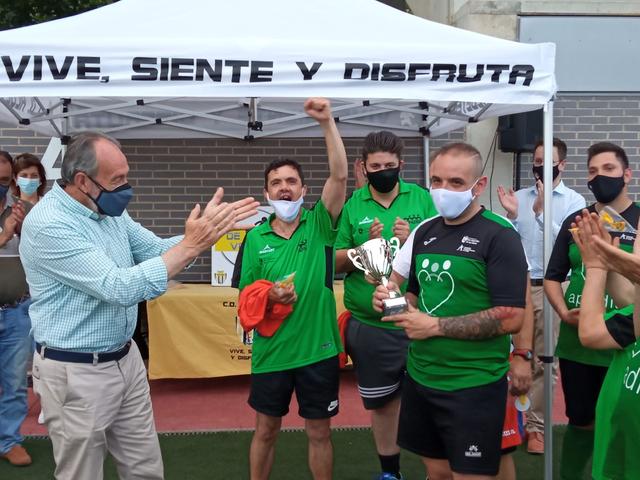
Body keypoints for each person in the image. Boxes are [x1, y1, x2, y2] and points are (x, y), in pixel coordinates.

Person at [19, 131, 259, 480]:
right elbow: (118, 286)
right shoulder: (49, 224)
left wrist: (205, 235)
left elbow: (156, 250)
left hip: (125, 359)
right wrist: (192, 245)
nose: (127, 187)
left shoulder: (106, 210)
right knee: (81, 474)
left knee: (145, 468)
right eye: (118, 179)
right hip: (76, 372)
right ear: (83, 181)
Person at [374, 142, 528, 480]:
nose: (443, 190)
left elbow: (512, 315)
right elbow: (414, 294)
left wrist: (435, 326)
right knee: (437, 471)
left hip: (473, 384)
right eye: (437, 181)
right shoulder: (425, 231)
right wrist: (392, 300)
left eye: (456, 182)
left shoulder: (500, 235)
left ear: (479, 185)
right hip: (422, 376)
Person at [232, 98, 347, 480]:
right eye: (276, 183)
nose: (284, 188)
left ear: (303, 189)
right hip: (272, 354)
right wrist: (270, 296)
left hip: (318, 351)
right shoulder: (255, 238)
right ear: (267, 193)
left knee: (319, 432)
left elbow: (340, 177)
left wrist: (327, 123)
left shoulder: (319, 224)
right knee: (266, 430)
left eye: (291, 182)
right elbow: (246, 298)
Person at [334, 130, 437, 480]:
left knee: (431, 400)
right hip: (372, 327)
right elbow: (334, 260)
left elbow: (444, 249)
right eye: (375, 166)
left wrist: (413, 241)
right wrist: (365, 250)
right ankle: (390, 472)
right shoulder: (353, 205)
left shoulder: (422, 198)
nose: (382, 172)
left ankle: (436, 470)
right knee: (382, 405)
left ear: (401, 165)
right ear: (363, 168)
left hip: (419, 320)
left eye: (389, 165)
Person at [544, 141, 640, 480]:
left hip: (624, 341)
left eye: (609, 169)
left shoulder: (639, 220)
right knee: (581, 419)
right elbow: (552, 276)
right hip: (579, 344)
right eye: (593, 171)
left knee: (620, 414)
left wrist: (604, 261)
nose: (600, 177)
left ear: (627, 174)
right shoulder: (578, 221)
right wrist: (562, 311)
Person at [497, 137, 586, 454]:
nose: (540, 166)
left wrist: (540, 213)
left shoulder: (574, 202)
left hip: (552, 286)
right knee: (515, 356)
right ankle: (512, 422)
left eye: (547, 160)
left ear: (562, 164)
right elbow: (507, 244)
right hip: (518, 287)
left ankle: (537, 428)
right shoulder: (519, 197)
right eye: (536, 160)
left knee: (546, 361)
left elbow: (569, 246)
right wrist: (511, 216)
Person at [568, 210, 639, 480]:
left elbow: (590, 332)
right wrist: (606, 263)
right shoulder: (631, 318)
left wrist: (598, 267)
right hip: (620, 453)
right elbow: (630, 302)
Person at [0, 150, 31, 467]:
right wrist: (5, 235)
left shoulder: (20, 211)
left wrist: (25, 232)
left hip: (17, 311)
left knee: (15, 382)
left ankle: (9, 441)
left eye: (4, 179)